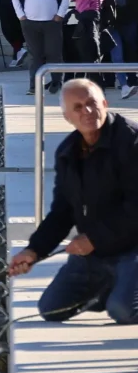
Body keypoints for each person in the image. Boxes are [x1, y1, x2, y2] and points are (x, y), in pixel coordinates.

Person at [9, 78, 138, 324]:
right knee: (51, 309)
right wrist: (34, 250)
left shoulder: (131, 141)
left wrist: (94, 239)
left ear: (104, 103)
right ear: (67, 117)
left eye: (92, 103)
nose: (87, 111)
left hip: (132, 248)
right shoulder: (68, 152)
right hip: (96, 253)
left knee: (123, 310)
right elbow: (62, 211)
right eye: (77, 107)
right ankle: (118, 286)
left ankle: (123, 289)